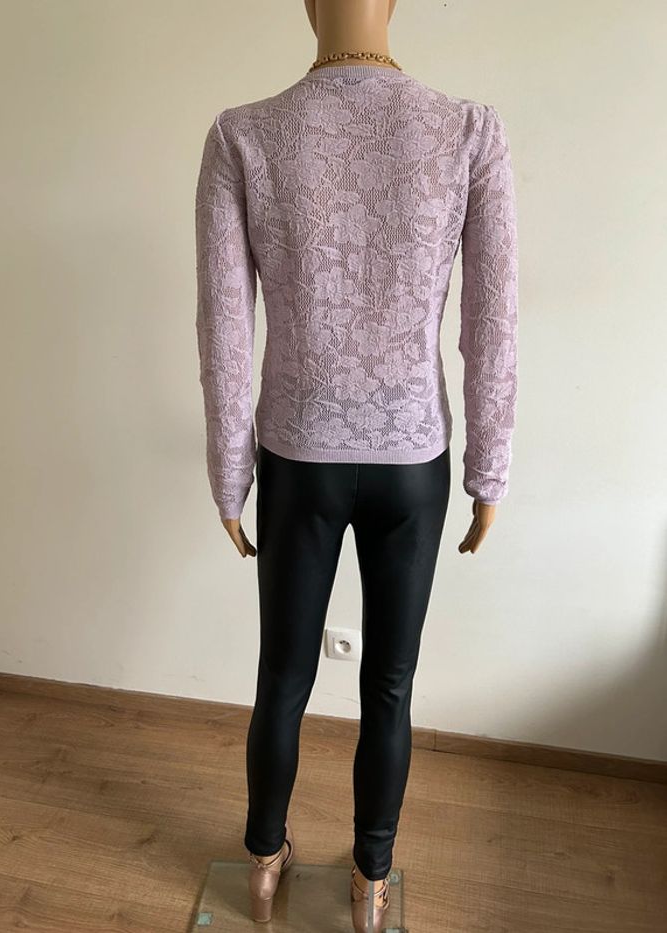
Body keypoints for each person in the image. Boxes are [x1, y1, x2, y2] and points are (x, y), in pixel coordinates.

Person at [194, 1, 519, 928]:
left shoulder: (244, 136)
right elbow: (493, 320)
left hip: (299, 454)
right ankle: (372, 879)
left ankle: (264, 860)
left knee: (283, 675)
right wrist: (488, 471)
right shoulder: (466, 131)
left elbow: (224, 329)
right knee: (391, 683)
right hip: (413, 456)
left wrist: (229, 475)